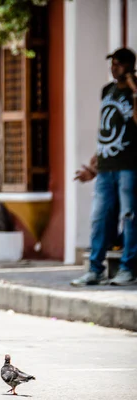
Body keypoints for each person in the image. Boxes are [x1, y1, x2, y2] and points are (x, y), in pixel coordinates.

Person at [71, 48, 137, 287]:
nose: (114, 68)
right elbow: (106, 133)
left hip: (129, 166)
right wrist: (94, 165)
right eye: (113, 64)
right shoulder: (107, 91)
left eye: (119, 64)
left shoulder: (134, 90)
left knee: (129, 217)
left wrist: (134, 89)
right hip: (107, 167)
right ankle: (95, 269)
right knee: (99, 217)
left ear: (130, 65)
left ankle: (128, 268)